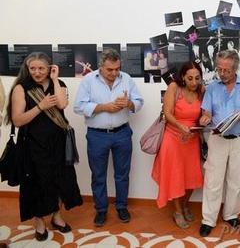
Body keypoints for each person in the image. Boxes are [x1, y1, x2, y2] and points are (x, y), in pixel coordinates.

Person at [5, 52, 82, 241]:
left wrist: (55, 80)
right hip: (33, 145)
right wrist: (41, 106)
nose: (37, 72)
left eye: (41, 68)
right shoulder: (22, 88)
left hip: (58, 143)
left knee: (59, 180)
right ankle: (39, 221)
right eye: (33, 68)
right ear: (27, 69)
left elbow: (63, 104)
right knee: (37, 184)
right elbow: (18, 120)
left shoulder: (59, 84)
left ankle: (56, 216)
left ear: (50, 68)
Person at [74, 48, 144, 227]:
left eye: (117, 69)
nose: (114, 73)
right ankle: (101, 210)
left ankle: (121, 207)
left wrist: (128, 103)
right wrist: (104, 107)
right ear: (100, 67)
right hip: (97, 135)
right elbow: (78, 106)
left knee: (122, 174)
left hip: (122, 133)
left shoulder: (126, 79)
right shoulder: (89, 80)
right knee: (98, 175)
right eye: (109, 70)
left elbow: (139, 102)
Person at [198, 50, 240, 237]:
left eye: (226, 70)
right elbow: (206, 112)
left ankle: (231, 214)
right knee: (213, 181)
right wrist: (205, 117)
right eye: (219, 69)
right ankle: (208, 219)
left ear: (235, 69)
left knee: (235, 180)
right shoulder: (211, 87)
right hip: (217, 138)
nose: (222, 73)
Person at [152, 62, 205, 229]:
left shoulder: (201, 90)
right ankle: (177, 211)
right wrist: (181, 126)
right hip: (173, 138)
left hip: (192, 138)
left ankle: (184, 205)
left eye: (197, 78)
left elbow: (205, 112)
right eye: (190, 78)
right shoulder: (174, 87)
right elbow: (167, 113)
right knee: (176, 177)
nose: (194, 82)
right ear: (183, 76)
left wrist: (205, 119)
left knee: (192, 176)